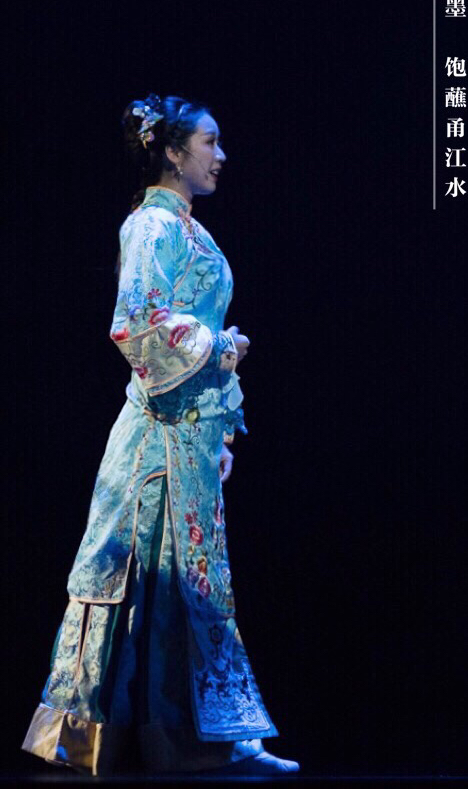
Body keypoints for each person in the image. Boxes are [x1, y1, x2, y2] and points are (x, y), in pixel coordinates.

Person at [23, 95, 298, 777]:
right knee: (156, 583)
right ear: (173, 153)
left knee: (189, 585)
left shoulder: (184, 227)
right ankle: (132, 738)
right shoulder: (150, 225)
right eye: (209, 142)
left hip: (191, 439)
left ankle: (198, 739)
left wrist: (221, 429)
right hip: (157, 440)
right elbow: (138, 325)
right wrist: (220, 346)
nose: (220, 155)